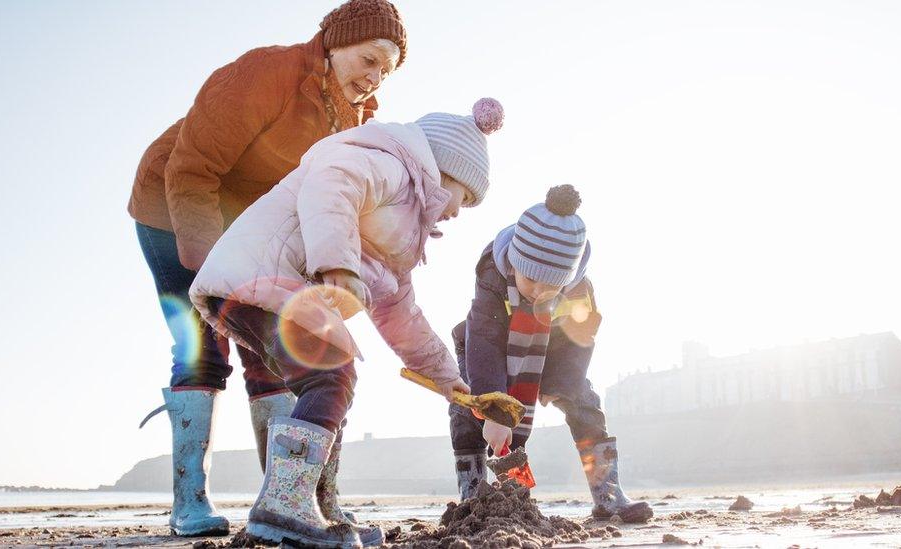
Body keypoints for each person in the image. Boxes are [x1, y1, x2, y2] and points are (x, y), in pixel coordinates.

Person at [129, 0, 408, 537]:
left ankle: (287, 499)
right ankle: (190, 501)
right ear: (335, 41)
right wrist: (211, 272)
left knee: (280, 349)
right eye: (369, 59)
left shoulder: (354, 118)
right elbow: (191, 169)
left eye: (386, 70)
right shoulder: (266, 73)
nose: (374, 78)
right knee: (203, 342)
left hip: (254, 226)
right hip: (175, 205)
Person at [189, 99, 505, 547]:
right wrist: (338, 265)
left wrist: (451, 383)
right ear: (445, 171)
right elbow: (331, 184)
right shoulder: (391, 167)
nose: (458, 211)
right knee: (331, 374)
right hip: (260, 276)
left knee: (334, 383)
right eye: (464, 197)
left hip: (269, 289)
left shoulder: (400, 236)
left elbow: (402, 317)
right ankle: (284, 504)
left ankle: (314, 505)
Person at [448, 185, 654, 523]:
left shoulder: (578, 291)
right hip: (485, 353)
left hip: (552, 353)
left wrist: (562, 383)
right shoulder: (492, 278)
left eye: (552, 286)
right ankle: (475, 495)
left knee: (584, 403)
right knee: (468, 411)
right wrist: (496, 410)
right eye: (531, 281)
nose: (540, 292)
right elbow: (484, 339)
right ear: (514, 263)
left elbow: (581, 338)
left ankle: (608, 494)